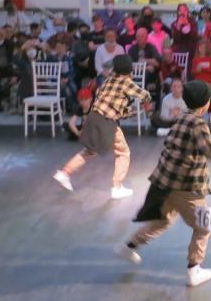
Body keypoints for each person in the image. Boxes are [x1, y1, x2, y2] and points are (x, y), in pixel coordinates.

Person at [118, 80, 211, 287]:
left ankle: (129, 246)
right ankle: (194, 269)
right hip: (186, 185)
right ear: (205, 103)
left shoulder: (182, 118)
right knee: (204, 226)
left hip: (165, 180)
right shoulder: (198, 123)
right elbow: (209, 150)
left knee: (163, 221)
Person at [53, 55, 152, 199]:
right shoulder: (126, 82)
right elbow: (145, 95)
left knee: (89, 151)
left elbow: (107, 101)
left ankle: (64, 173)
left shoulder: (108, 81)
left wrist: (128, 112)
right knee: (123, 153)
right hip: (106, 121)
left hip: (93, 117)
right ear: (129, 69)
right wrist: (146, 105)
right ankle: (117, 187)